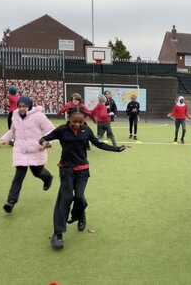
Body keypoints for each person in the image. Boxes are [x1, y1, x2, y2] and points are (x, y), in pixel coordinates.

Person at [39, 106, 128, 250]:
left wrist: (116, 149)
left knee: (80, 197)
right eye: (74, 121)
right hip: (66, 169)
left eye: (80, 122)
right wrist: (43, 143)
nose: (77, 125)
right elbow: (44, 138)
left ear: (84, 121)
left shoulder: (86, 130)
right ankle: (58, 234)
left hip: (82, 170)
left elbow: (98, 143)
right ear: (69, 118)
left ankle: (81, 215)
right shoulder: (62, 130)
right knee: (66, 197)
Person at [0, 96, 55, 213]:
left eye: (24, 106)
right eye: (20, 106)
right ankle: (11, 201)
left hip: (36, 149)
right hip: (21, 150)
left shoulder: (38, 116)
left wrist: (45, 143)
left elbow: (51, 131)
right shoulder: (15, 115)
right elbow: (13, 131)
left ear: (29, 106)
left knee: (37, 172)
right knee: (18, 176)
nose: (22, 108)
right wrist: (4, 139)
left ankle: (48, 178)